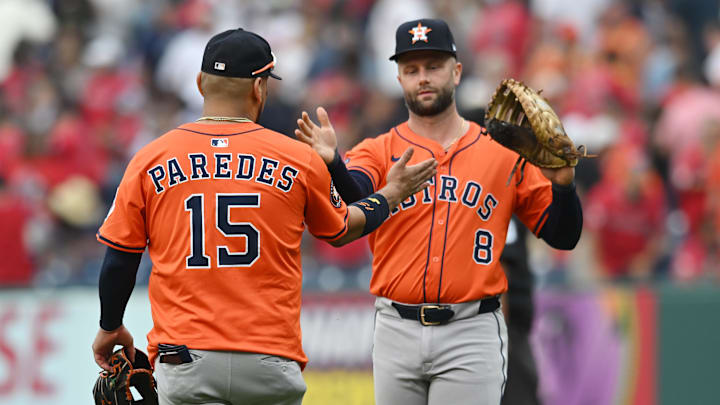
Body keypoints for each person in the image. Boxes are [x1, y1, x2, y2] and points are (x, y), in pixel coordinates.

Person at [90, 28, 437, 405]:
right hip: (269, 360)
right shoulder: (296, 157)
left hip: (186, 357)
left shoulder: (150, 158)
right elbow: (342, 230)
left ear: (200, 83)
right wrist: (391, 194)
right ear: (259, 88)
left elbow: (119, 260)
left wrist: (110, 326)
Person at [294, 18, 583, 405]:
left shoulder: (502, 154)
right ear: (399, 78)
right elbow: (353, 198)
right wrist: (333, 163)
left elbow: (563, 235)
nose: (423, 78)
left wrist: (563, 185)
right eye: (411, 70)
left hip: (471, 329)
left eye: (433, 66)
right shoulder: (377, 149)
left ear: (457, 70)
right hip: (396, 328)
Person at [500, 216, 540, 405]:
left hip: (512, 325)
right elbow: (501, 269)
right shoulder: (505, 211)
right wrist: (502, 330)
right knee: (519, 394)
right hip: (508, 326)